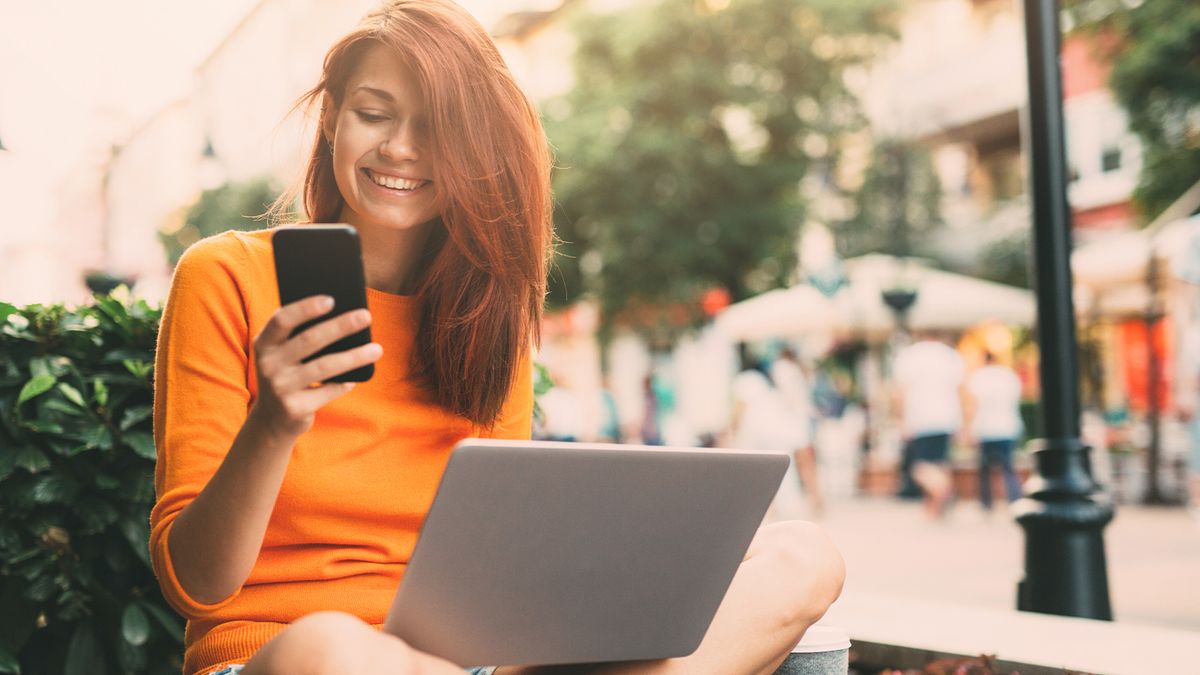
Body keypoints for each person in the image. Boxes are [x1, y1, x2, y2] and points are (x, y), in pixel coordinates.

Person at [149, 3, 845, 674]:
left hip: (465, 661)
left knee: (804, 557)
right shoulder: (226, 277)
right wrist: (274, 423)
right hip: (281, 656)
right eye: (374, 113)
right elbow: (196, 585)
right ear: (331, 116)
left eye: (438, 126)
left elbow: (499, 569)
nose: (401, 148)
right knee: (332, 646)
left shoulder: (485, 311)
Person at [892, 333, 966, 518]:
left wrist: (901, 420)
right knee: (939, 465)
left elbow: (900, 391)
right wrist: (964, 422)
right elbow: (962, 389)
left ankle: (944, 490)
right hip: (947, 418)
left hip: (921, 420)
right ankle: (934, 508)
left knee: (920, 468)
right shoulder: (950, 355)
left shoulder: (909, 356)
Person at [965, 352, 1024, 512]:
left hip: (985, 429)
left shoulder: (978, 377)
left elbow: (973, 405)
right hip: (1008, 427)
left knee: (984, 470)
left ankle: (986, 504)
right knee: (1008, 467)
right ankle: (1014, 500)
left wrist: (970, 429)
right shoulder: (1009, 376)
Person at [770, 346, 824, 516]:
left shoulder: (783, 368)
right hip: (802, 420)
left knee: (789, 462)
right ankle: (816, 499)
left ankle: (781, 504)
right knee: (806, 461)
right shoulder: (797, 370)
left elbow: (787, 397)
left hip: (791, 422)